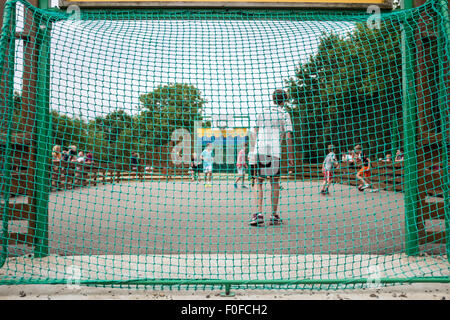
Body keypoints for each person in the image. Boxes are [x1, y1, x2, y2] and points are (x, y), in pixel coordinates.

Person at [250, 89, 294, 227]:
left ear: (273, 98)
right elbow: (288, 135)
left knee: (259, 181)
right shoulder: (284, 114)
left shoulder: (262, 111)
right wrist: (291, 156)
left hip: (260, 148)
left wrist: (255, 148)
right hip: (274, 149)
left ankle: (259, 213)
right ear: (284, 100)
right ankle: (274, 215)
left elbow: (255, 131)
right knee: (274, 182)